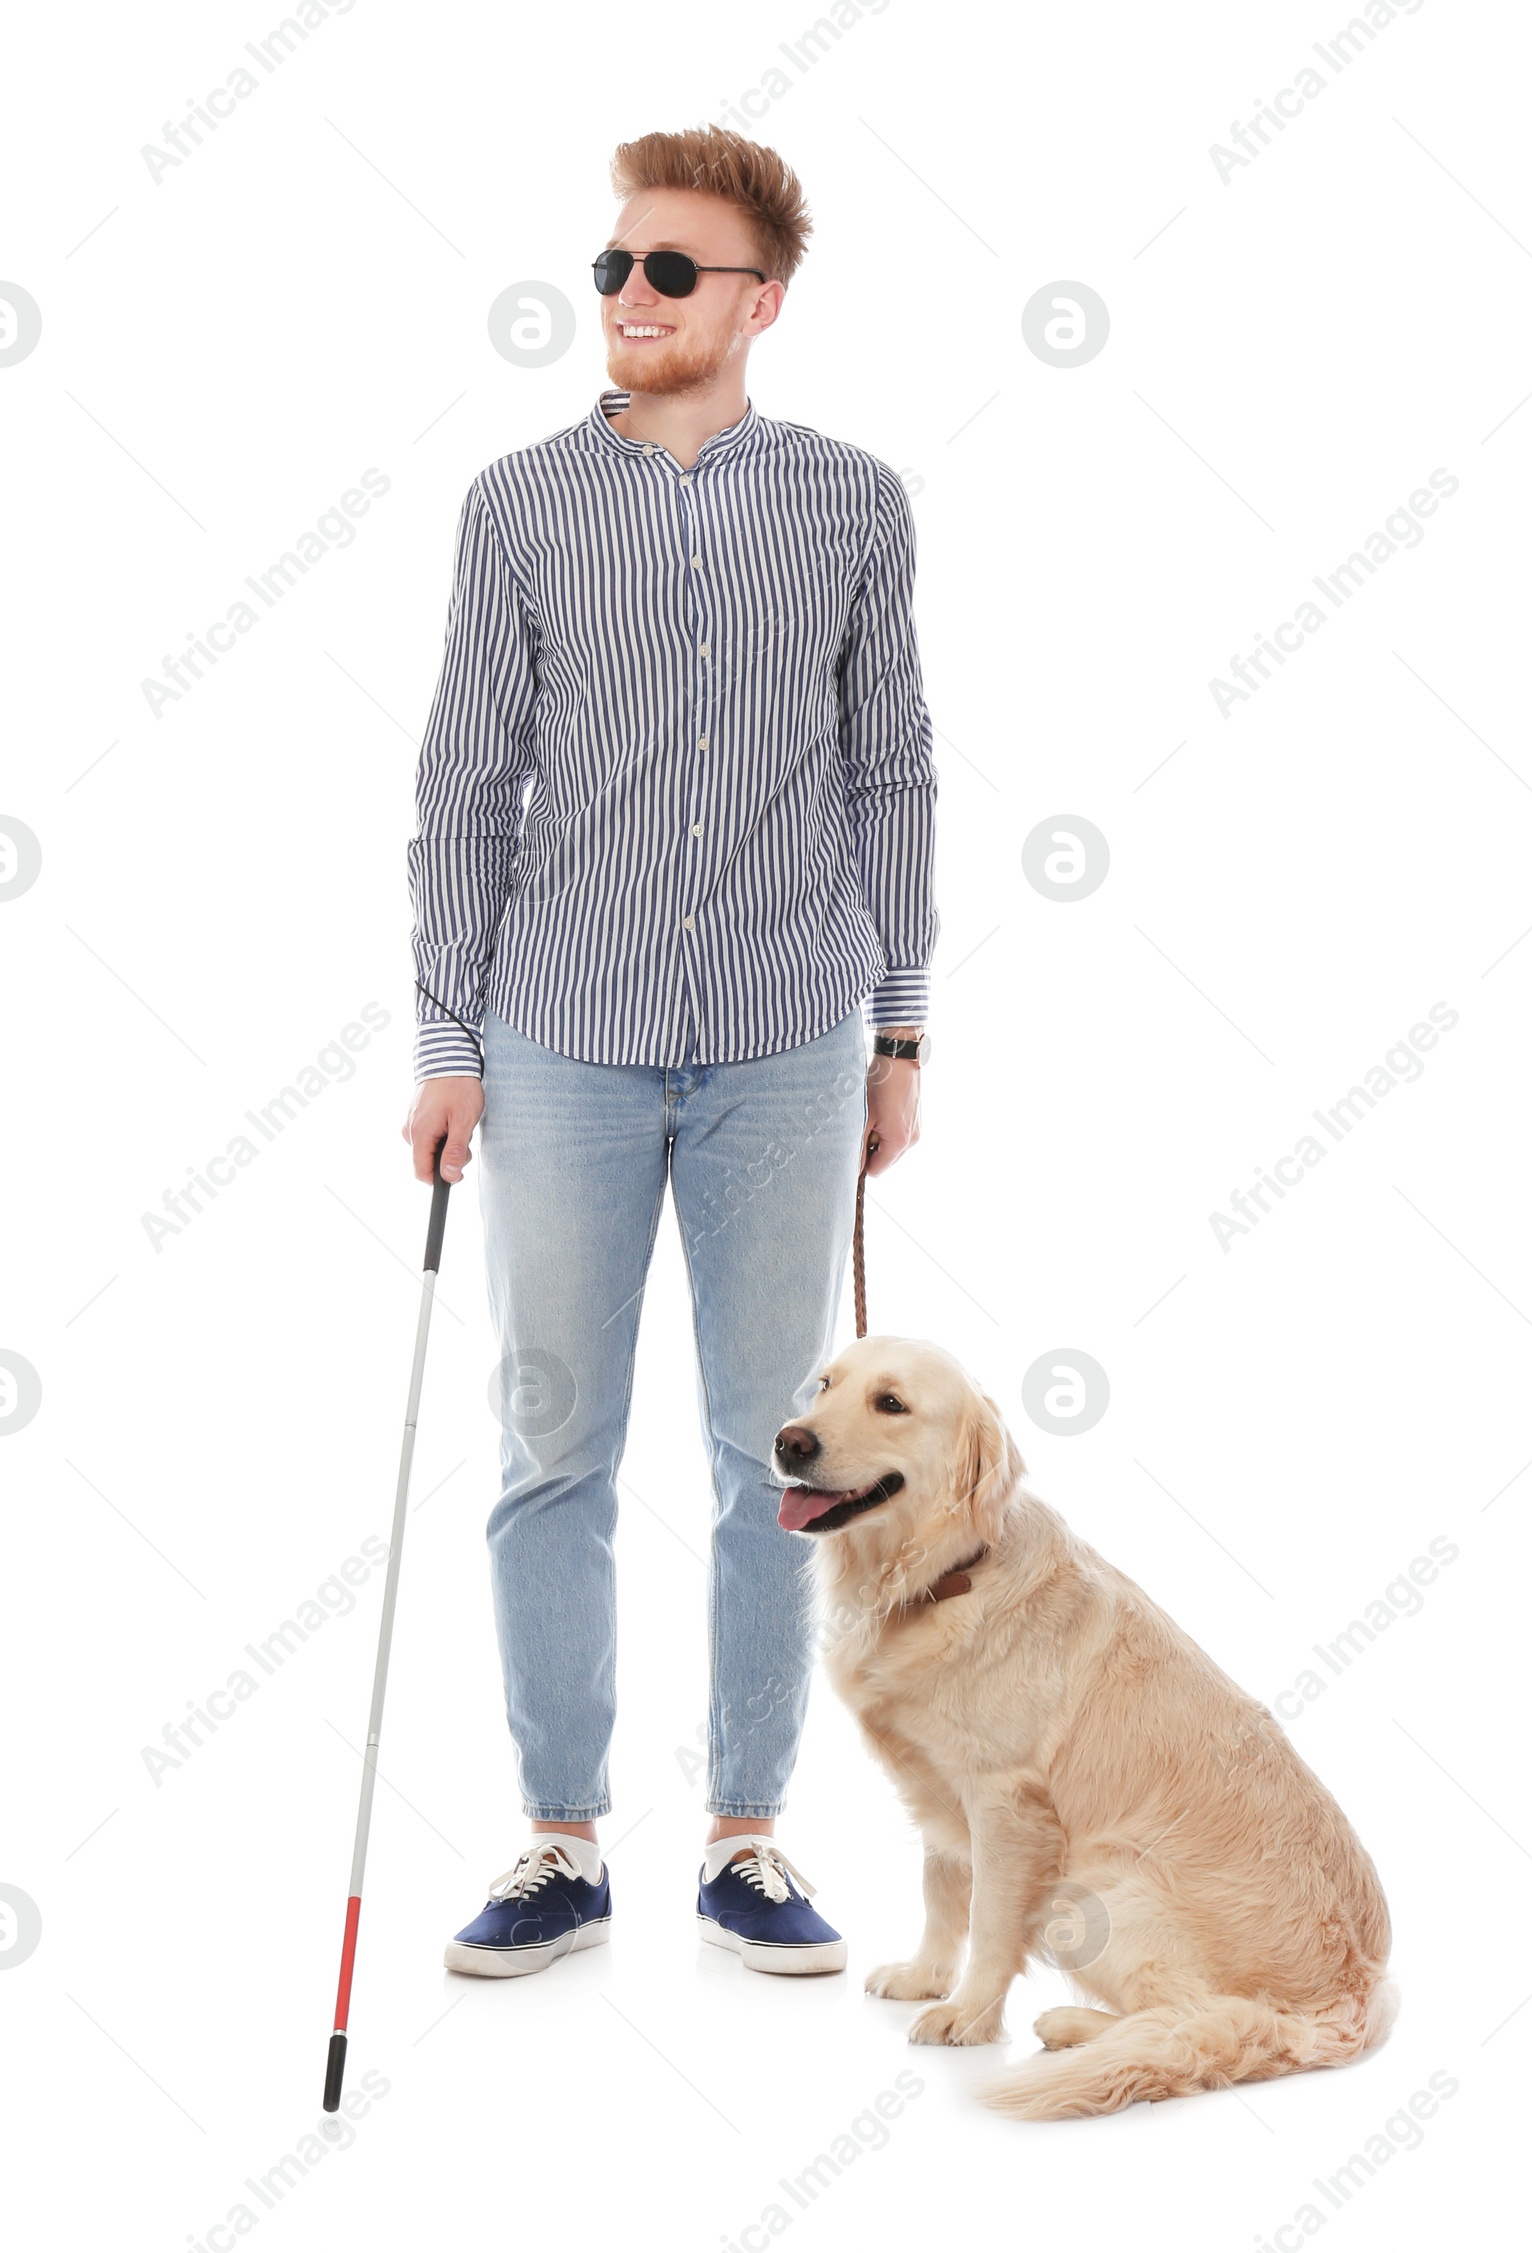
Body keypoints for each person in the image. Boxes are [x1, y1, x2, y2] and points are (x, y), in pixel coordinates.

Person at [401, 124, 938, 1983]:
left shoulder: (855, 501)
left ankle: (750, 1837)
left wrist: (901, 1025)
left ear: (757, 302)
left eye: (669, 271)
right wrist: (448, 1039)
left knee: (770, 1449)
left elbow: (895, 766)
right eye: (615, 264)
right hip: (560, 1032)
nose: (626, 296)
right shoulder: (519, 505)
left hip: (790, 1035)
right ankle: (561, 1835)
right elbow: (466, 782)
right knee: (555, 1433)